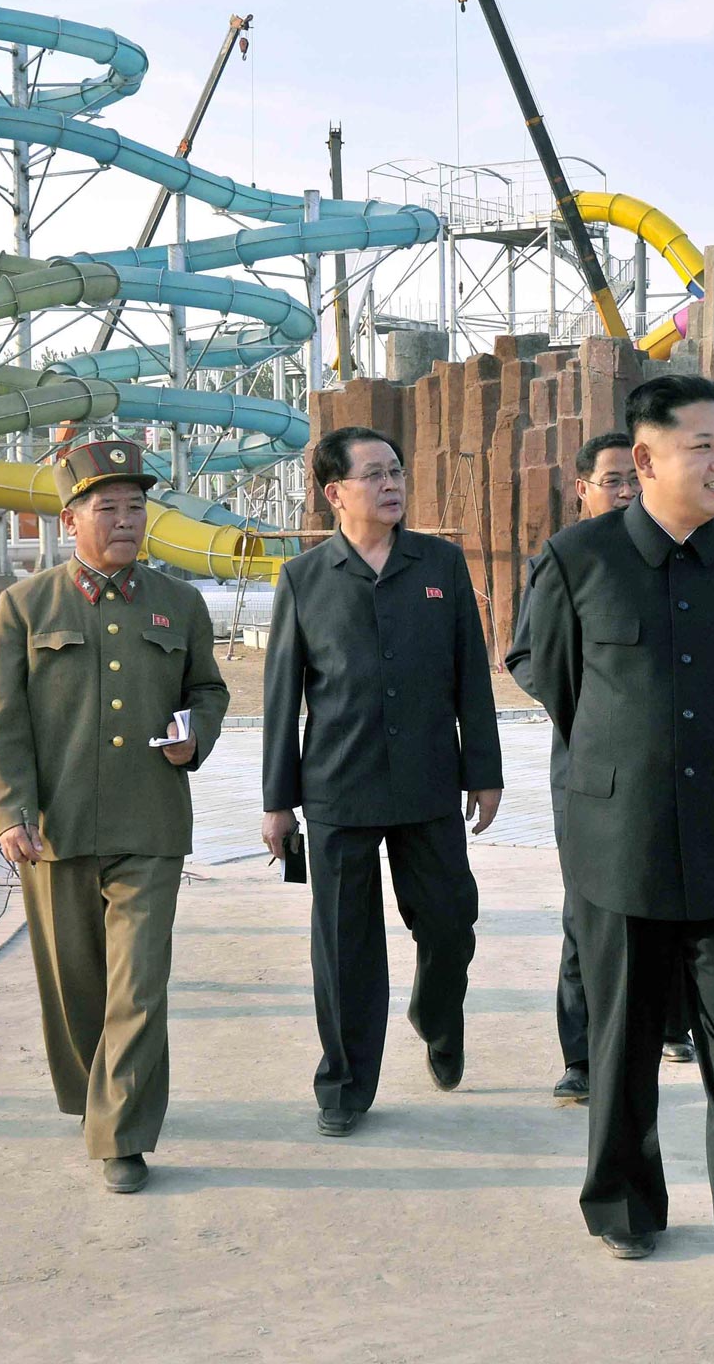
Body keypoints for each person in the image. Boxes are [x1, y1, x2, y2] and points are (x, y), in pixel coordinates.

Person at [523, 373, 714, 1291]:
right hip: (622, 843)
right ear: (646, 458)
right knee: (621, 1038)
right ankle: (622, 1202)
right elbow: (556, 679)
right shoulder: (578, 559)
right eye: (703, 446)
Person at [0, 439, 230, 1194]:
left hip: (152, 827)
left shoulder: (180, 603)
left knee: (138, 986)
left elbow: (209, 692)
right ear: (71, 520)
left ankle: (121, 1135)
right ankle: (94, 1096)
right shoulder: (26, 607)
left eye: (136, 507)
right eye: (108, 508)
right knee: (77, 990)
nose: (126, 521)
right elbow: (8, 723)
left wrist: (197, 734)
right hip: (57, 829)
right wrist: (11, 813)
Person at [260, 425, 503, 1137]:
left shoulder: (441, 565)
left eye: (396, 471)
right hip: (339, 784)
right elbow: (282, 698)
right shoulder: (304, 579)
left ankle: (437, 1014)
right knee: (344, 944)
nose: (392, 484)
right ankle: (343, 1084)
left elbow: (471, 676)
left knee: (451, 921)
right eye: (375, 474)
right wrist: (279, 804)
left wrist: (483, 772)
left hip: (429, 780)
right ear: (336, 493)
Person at [503, 432, 692, 1107]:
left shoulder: (678, 554)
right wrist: (594, 712)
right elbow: (527, 656)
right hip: (590, 767)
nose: (623, 492)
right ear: (581, 489)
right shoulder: (566, 562)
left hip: (673, 767)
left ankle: (674, 1021)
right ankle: (581, 1055)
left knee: (675, 889)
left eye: (629, 480)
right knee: (592, 905)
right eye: (609, 480)